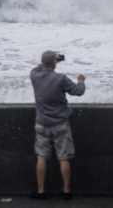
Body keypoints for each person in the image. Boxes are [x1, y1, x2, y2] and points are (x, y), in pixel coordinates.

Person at [29, 50, 86, 200]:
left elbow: (40, 65)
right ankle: (66, 191)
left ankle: (41, 191)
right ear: (54, 63)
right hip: (60, 124)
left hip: (41, 123)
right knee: (63, 158)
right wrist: (81, 80)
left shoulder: (34, 75)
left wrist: (52, 60)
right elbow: (78, 92)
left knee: (41, 156)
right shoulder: (61, 78)